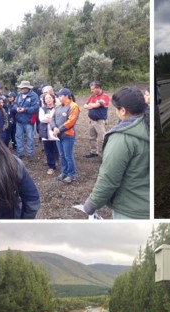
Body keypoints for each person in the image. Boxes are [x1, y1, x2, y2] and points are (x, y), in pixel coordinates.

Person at [81, 86, 149, 219]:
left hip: (131, 209)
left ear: (123, 110)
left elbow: (109, 177)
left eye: (117, 108)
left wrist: (92, 204)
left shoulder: (121, 138)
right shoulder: (148, 123)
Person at [52, 88, 80, 184]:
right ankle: (64, 172)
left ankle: (71, 174)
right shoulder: (58, 106)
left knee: (68, 156)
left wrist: (59, 129)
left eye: (60, 96)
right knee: (62, 155)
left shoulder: (74, 106)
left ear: (66, 96)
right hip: (58, 135)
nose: (58, 97)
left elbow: (71, 121)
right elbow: (53, 118)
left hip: (67, 135)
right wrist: (54, 127)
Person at [14, 80, 40, 160]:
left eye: (23, 88)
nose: (21, 89)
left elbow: (36, 108)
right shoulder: (19, 95)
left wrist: (25, 109)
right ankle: (20, 153)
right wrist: (16, 108)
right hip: (19, 120)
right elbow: (15, 104)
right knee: (18, 137)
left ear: (27, 88)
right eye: (21, 88)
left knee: (30, 138)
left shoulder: (34, 96)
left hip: (29, 121)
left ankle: (30, 154)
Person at [84, 80, 110, 158]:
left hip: (100, 121)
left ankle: (104, 155)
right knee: (92, 137)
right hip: (92, 120)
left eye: (93, 89)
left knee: (102, 139)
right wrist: (92, 105)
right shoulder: (92, 96)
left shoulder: (104, 96)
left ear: (98, 88)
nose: (91, 90)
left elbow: (97, 105)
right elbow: (85, 105)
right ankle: (93, 152)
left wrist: (91, 105)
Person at [38, 91, 58, 175]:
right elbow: (41, 119)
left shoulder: (57, 108)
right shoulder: (42, 109)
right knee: (48, 149)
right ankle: (51, 166)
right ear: (44, 101)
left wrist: (48, 118)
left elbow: (58, 119)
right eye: (46, 98)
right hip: (45, 131)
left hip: (55, 131)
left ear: (53, 99)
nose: (48, 100)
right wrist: (50, 117)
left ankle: (56, 161)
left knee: (56, 148)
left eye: (50, 98)